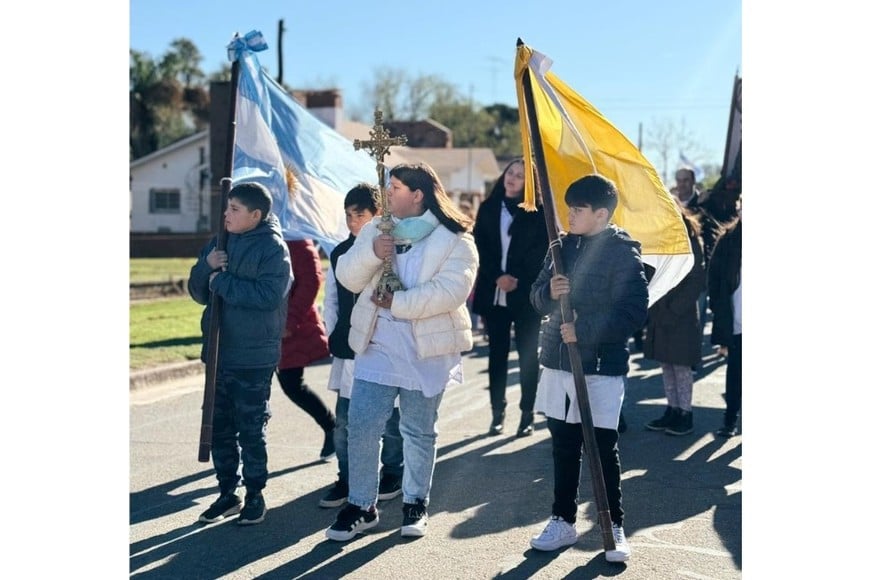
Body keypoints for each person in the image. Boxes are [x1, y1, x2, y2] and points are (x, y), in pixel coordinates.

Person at [324, 162, 479, 541]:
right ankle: (362, 505)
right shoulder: (378, 229)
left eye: (394, 187)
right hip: (377, 343)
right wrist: (373, 253)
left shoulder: (455, 237)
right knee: (361, 424)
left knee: (417, 429)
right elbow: (347, 275)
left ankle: (415, 502)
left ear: (418, 194)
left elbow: (451, 292)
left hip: (426, 348)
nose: (387, 193)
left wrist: (398, 302)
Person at [527, 174, 648, 563]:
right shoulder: (559, 246)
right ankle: (562, 520)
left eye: (577, 210)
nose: (569, 215)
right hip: (559, 364)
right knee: (563, 445)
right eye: (568, 207)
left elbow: (633, 312)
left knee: (601, 447)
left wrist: (584, 330)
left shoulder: (623, 251)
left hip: (600, 366)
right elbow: (536, 297)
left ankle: (612, 523)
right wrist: (550, 293)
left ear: (600, 214)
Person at [188, 181, 292, 526]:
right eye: (226, 207)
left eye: (234, 209)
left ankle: (255, 496)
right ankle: (227, 493)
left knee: (250, 429)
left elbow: (267, 296)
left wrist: (221, 281)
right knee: (218, 428)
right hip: (219, 351)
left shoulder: (273, 249)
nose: (226, 214)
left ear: (255, 215)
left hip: (252, 356)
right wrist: (206, 266)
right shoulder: (220, 240)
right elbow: (198, 291)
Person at [319, 183, 404, 509]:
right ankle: (347, 476)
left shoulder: (393, 249)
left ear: (377, 216)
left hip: (381, 346)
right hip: (349, 348)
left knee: (389, 421)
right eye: (349, 216)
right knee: (345, 421)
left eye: (360, 215)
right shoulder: (341, 253)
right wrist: (336, 333)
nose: (354, 222)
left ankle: (392, 472)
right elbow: (331, 302)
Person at [471, 158, 549, 437]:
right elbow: (479, 246)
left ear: (529, 183)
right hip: (495, 292)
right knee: (497, 355)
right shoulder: (489, 208)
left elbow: (540, 253)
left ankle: (527, 413)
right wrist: (497, 277)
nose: (512, 178)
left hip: (525, 293)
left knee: (528, 356)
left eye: (519, 175)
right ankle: (497, 412)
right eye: (510, 173)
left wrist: (516, 278)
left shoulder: (538, 212)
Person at [643, 208, 707, 436]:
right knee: (666, 364)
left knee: (680, 366)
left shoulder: (689, 239)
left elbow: (696, 278)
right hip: (660, 311)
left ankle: (685, 413)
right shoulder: (658, 241)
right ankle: (672, 409)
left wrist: (674, 308)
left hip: (681, 315)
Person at [275, 239, 338, 462]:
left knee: (292, 385)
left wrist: (289, 321)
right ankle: (245, 447)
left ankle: (332, 426)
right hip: (261, 324)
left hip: (290, 327)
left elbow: (311, 280)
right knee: (254, 391)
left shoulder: (297, 240)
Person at [707, 196, 742, 437]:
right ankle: (730, 420)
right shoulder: (729, 239)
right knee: (736, 374)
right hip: (738, 321)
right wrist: (719, 310)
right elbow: (714, 279)